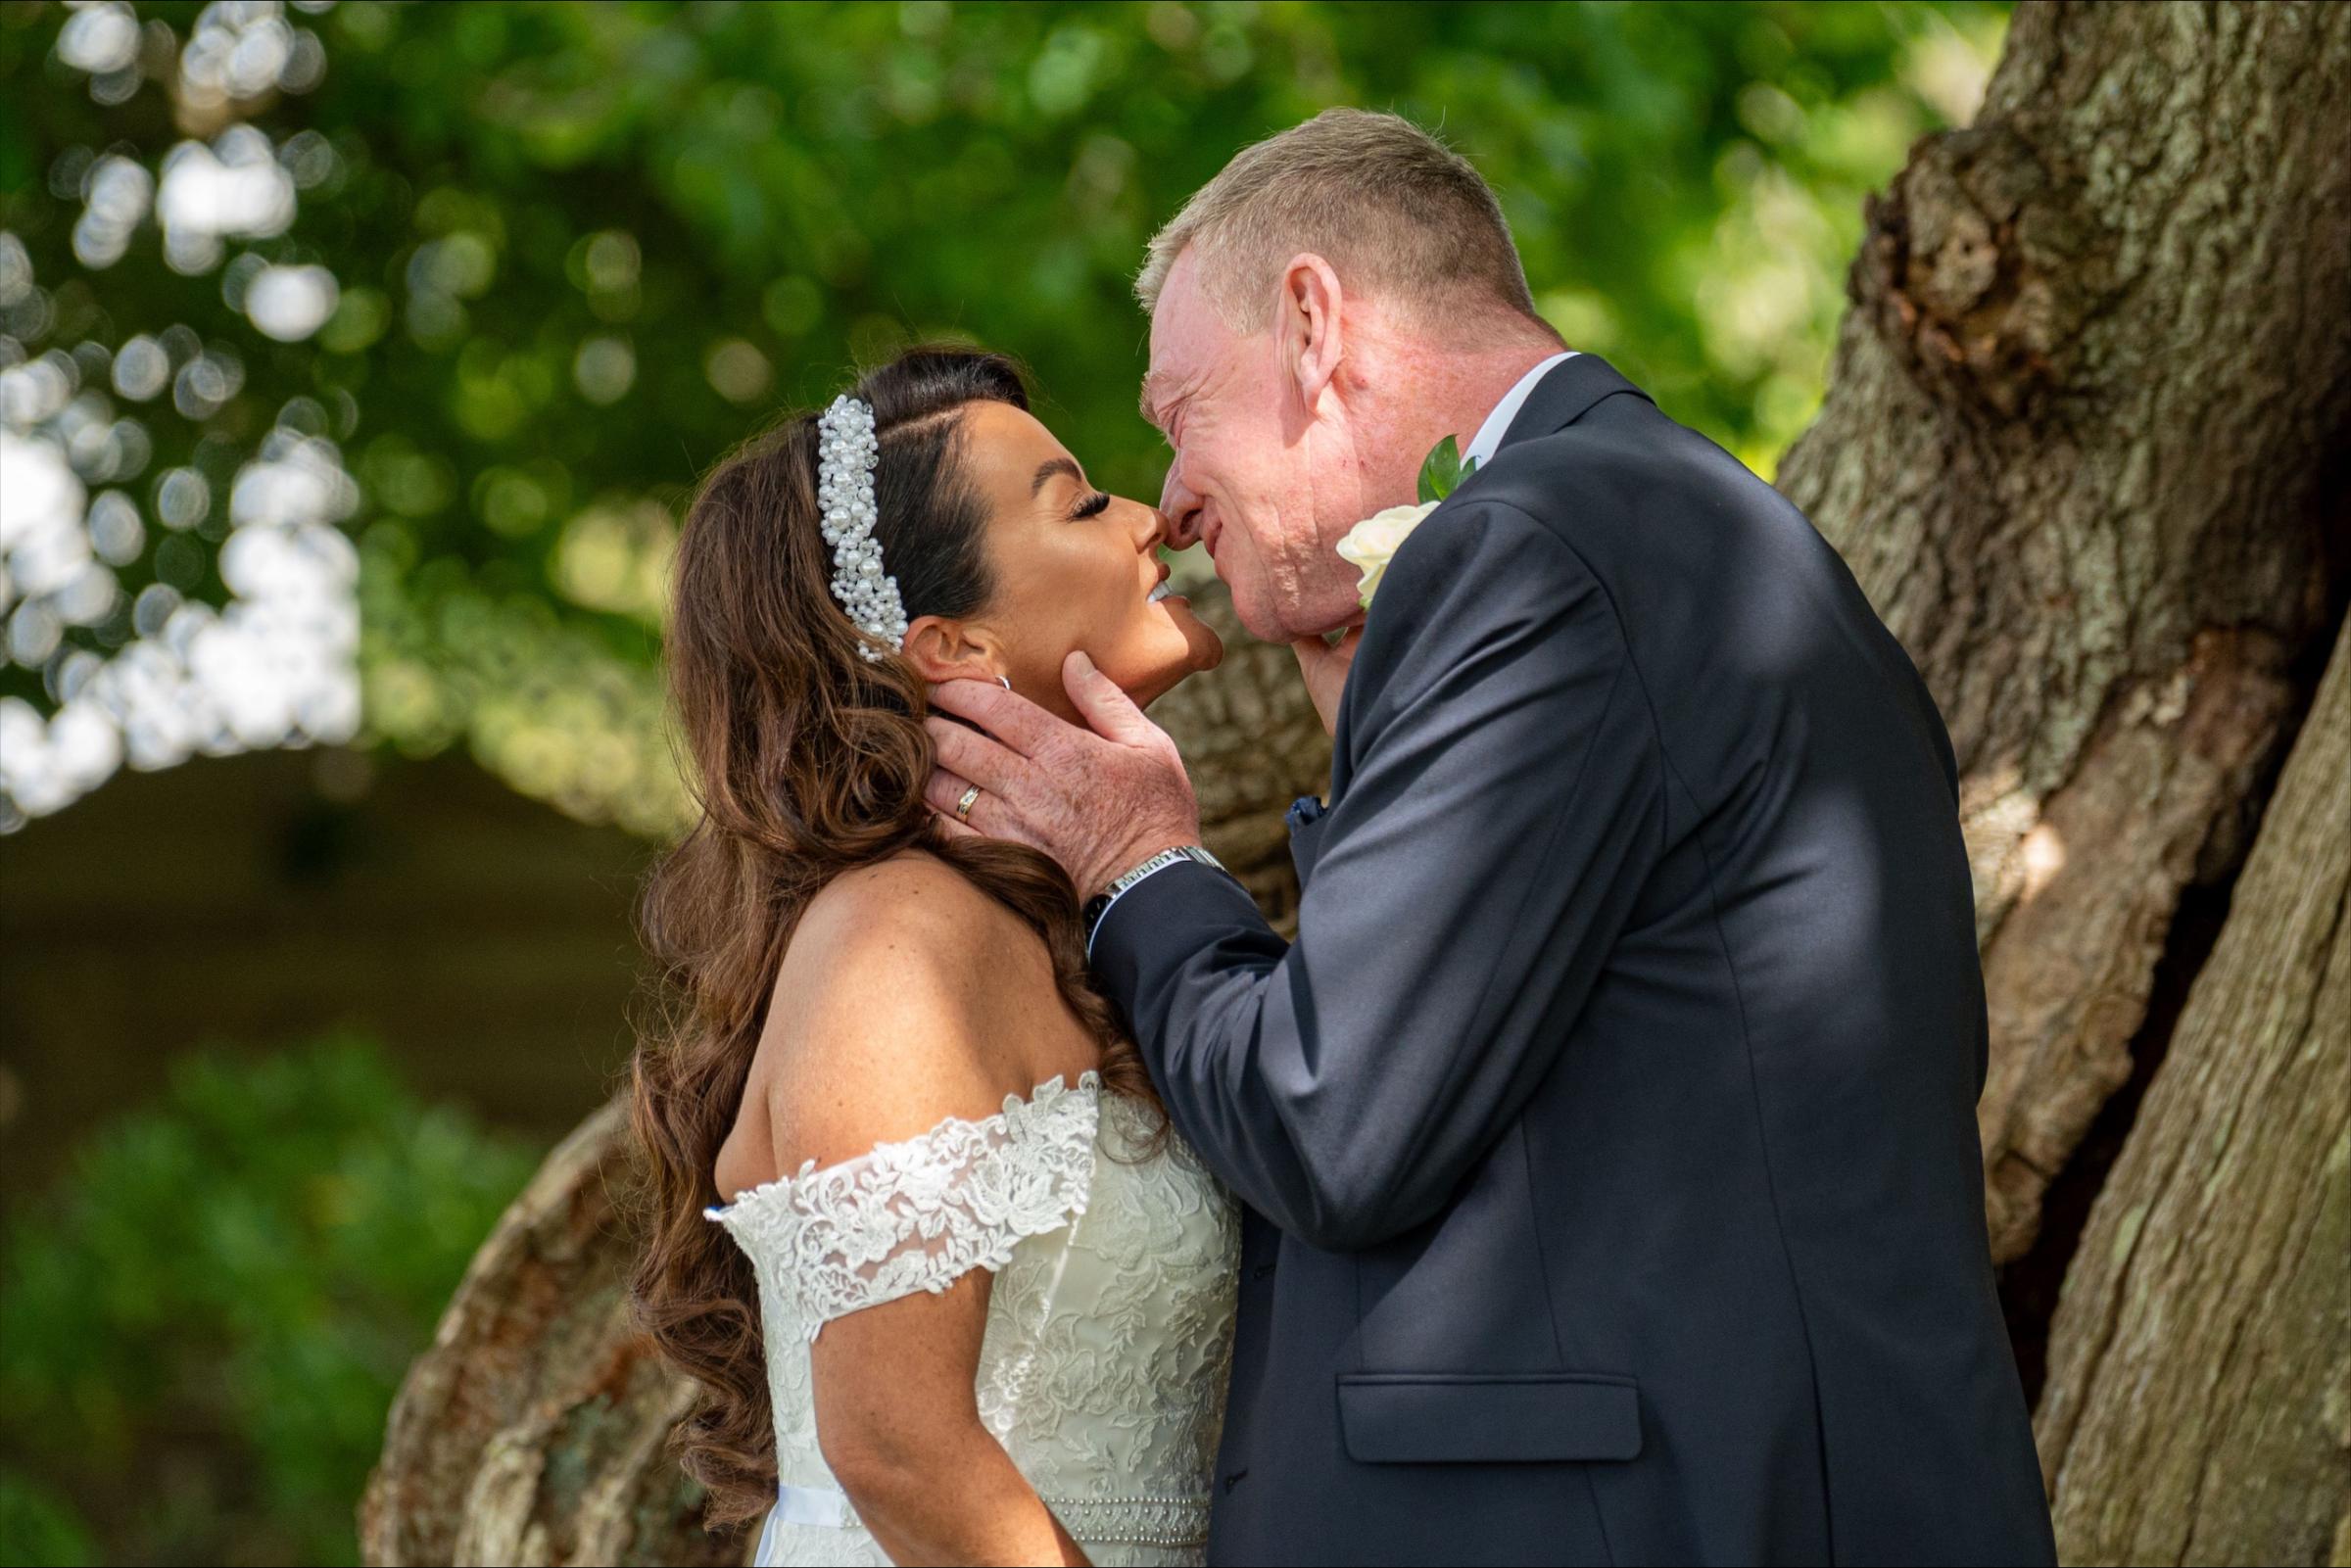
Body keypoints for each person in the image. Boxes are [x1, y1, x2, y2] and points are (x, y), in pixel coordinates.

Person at [926, 109, 2058, 1565]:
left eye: (1179, 413)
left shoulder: (1532, 555)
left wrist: (1139, 864)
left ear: (1316, 322)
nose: (1182, 504)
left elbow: (1334, 1117)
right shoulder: (1649, 522)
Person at [630, 348, 1239, 1566]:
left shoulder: (1052, 922)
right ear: (952, 646)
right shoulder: (891, 945)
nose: (1149, 516)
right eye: (1079, 502)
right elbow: (897, 1443)